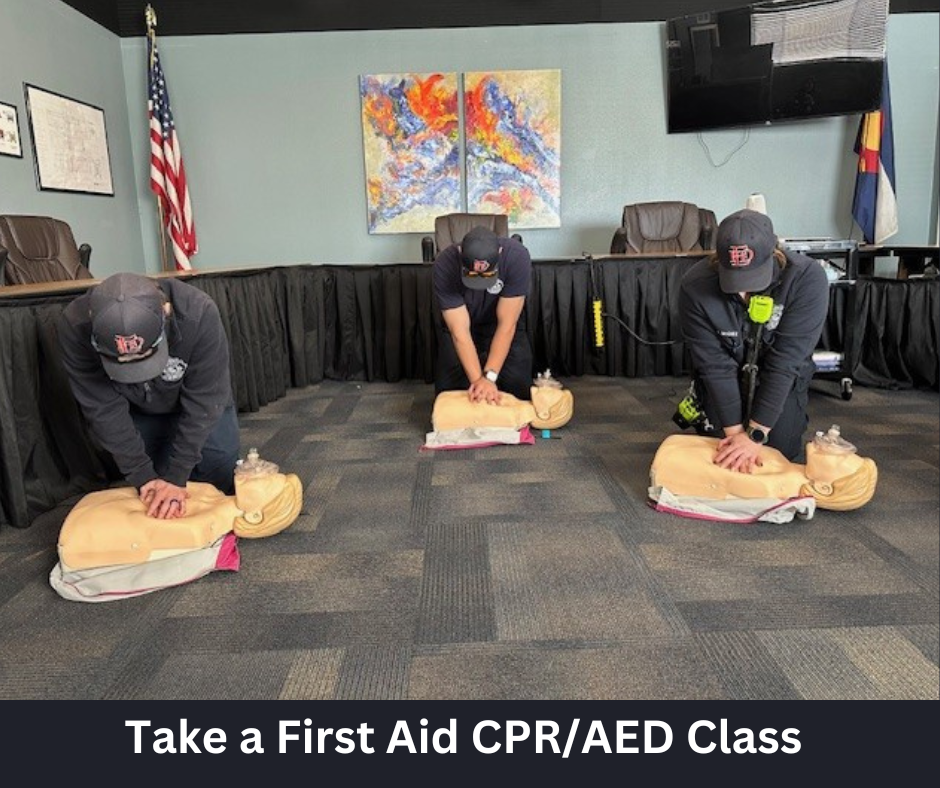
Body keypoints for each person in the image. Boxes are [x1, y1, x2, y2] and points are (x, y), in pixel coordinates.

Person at [57, 272, 239, 519]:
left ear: (166, 312)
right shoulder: (74, 325)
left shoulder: (198, 311)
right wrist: (143, 475)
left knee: (218, 475)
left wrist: (178, 475)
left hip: (203, 403)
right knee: (153, 490)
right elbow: (103, 410)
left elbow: (205, 400)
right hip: (138, 406)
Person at [678, 209, 829, 472]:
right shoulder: (695, 286)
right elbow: (715, 365)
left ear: (774, 251)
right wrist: (735, 435)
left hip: (780, 373)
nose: (742, 290)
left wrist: (756, 436)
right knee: (721, 454)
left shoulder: (806, 279)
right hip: (727, 372)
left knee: (775, 451)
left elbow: (785, 362)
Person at [432, 225, 533, 403]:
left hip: (500, 324)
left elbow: (507, 325)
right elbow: (459, 331)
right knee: (449, 394)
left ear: (500, 252)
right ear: (460, 252)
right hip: (464, 324)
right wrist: (479, 382)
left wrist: (489, 378)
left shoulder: (517, 257)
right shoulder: (444, 263)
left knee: (518, 388)